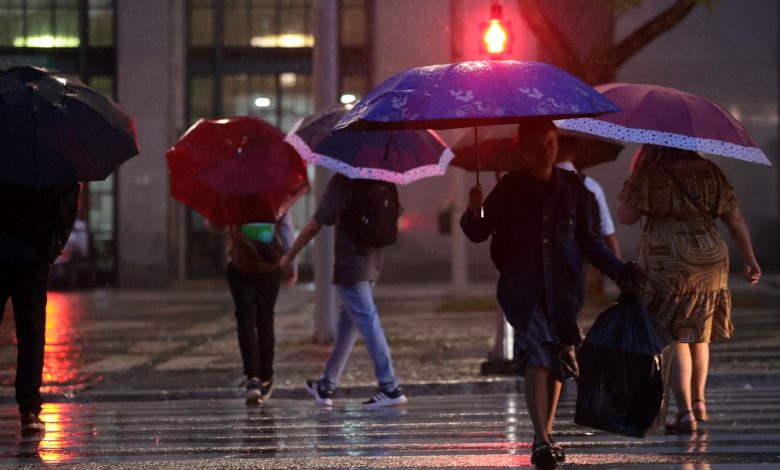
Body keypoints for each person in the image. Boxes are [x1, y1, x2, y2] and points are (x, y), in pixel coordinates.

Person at [460, 120, 643, 467]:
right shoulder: (510, 188)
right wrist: (474, 207)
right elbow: (479, 232)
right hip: (523, 290)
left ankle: (543, 435)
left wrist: (618, 270)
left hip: (563, 290)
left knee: (558, 363)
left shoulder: (575, 188)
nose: (547, 151)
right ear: (522, 149)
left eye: (551, 143)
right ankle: (541, 438)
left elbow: (589, 242)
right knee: (539, 355)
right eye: (538, 145)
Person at [617, 144, 761, 433]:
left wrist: (635, 183)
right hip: (710, 259)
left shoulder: (649, 172)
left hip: (669, 261)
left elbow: (626, 216)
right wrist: (749, 258)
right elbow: (734, 220)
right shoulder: (711, 171)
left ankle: (684, 414)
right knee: (699, 333)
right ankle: (699, 403)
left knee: (675, 335)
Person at [278, 174, 407, 409]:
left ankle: (390, 386)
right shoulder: (382, 178)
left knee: (368, 323)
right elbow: (395, 215)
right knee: (348, 325)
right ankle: (326, 385)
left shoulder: (343, 180)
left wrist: (290, 255)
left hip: (351, 263)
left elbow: (317, 223)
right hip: (373, 260)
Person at [0, 181, 80, 433]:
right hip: (31, 251)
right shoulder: (49, 152)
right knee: (32, 331)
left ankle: (30, 406)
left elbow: (67, 196)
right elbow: (68, 195)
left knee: (32, 331)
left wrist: (52, 244)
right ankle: (29, 408)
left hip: (29, 251)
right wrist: (53, 243)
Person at [207, 212, 297, 405]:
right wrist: (292, 264)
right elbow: (287, 230)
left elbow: (216, 225)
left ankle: (253, 380)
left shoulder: (233, 193)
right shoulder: (275, 194)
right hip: (269, 263)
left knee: (245, 319)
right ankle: (265, 377)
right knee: (265, 320)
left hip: (240, 262)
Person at [555, 136, 620, 257]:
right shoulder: (591, 185)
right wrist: (619, 265)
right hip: (587, 261)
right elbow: (607, 229)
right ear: (575, 152)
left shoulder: (537, 186)